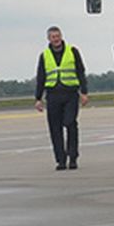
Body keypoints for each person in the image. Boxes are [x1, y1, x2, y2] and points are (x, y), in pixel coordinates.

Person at [34, 26, 89, 170]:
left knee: (70, 123)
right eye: (53, 37)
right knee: (55, 129)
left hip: (70, 94)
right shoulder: (44, 55)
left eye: (57, 36)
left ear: (61, 36)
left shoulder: (72, 51)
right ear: (49, 39)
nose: (56, 39)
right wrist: (38, 98)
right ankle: (61, 160)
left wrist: (84, 92)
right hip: (52, 95)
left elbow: (80, 71)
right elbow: (41, 77)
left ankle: (73, 156)